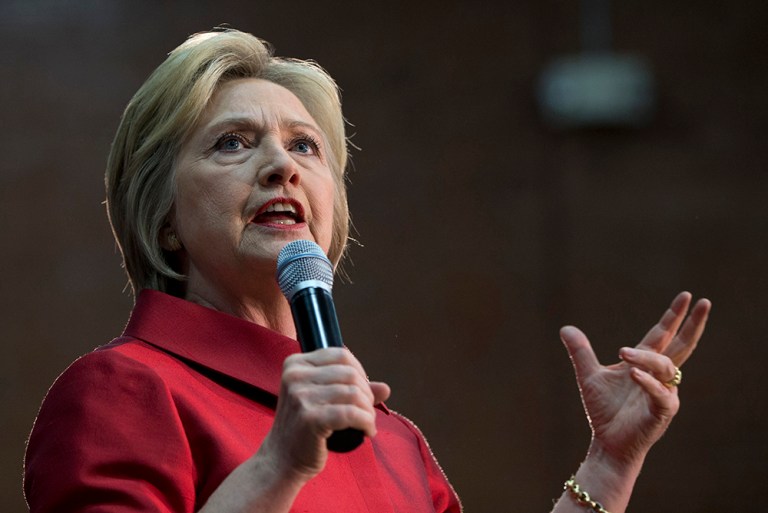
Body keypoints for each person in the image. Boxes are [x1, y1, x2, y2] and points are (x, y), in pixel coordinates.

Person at [23, 28, 711, 513]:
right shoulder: (122, 390)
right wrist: (279, 463)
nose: (281, 165)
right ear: (162, 213)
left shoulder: (391, 437)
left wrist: (609, 465)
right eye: (232, 142)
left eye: (305, 146)